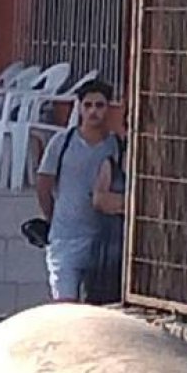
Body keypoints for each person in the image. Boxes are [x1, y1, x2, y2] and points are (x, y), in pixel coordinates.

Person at [36, 79, 121, 302]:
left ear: (108, 108)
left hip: (101, 241)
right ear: (80, 107)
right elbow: (44, 184)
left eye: (100, 105)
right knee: (65, 307)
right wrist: (53, 218)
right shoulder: (61, 142)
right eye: (88, 105)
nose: (93, 111)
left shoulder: (117, 146)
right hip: (65, 239)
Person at [86, 135, 128, 305]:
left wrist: (119, 203)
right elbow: (100, 201)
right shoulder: (110, 164)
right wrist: (130, 204)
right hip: (110, 245)